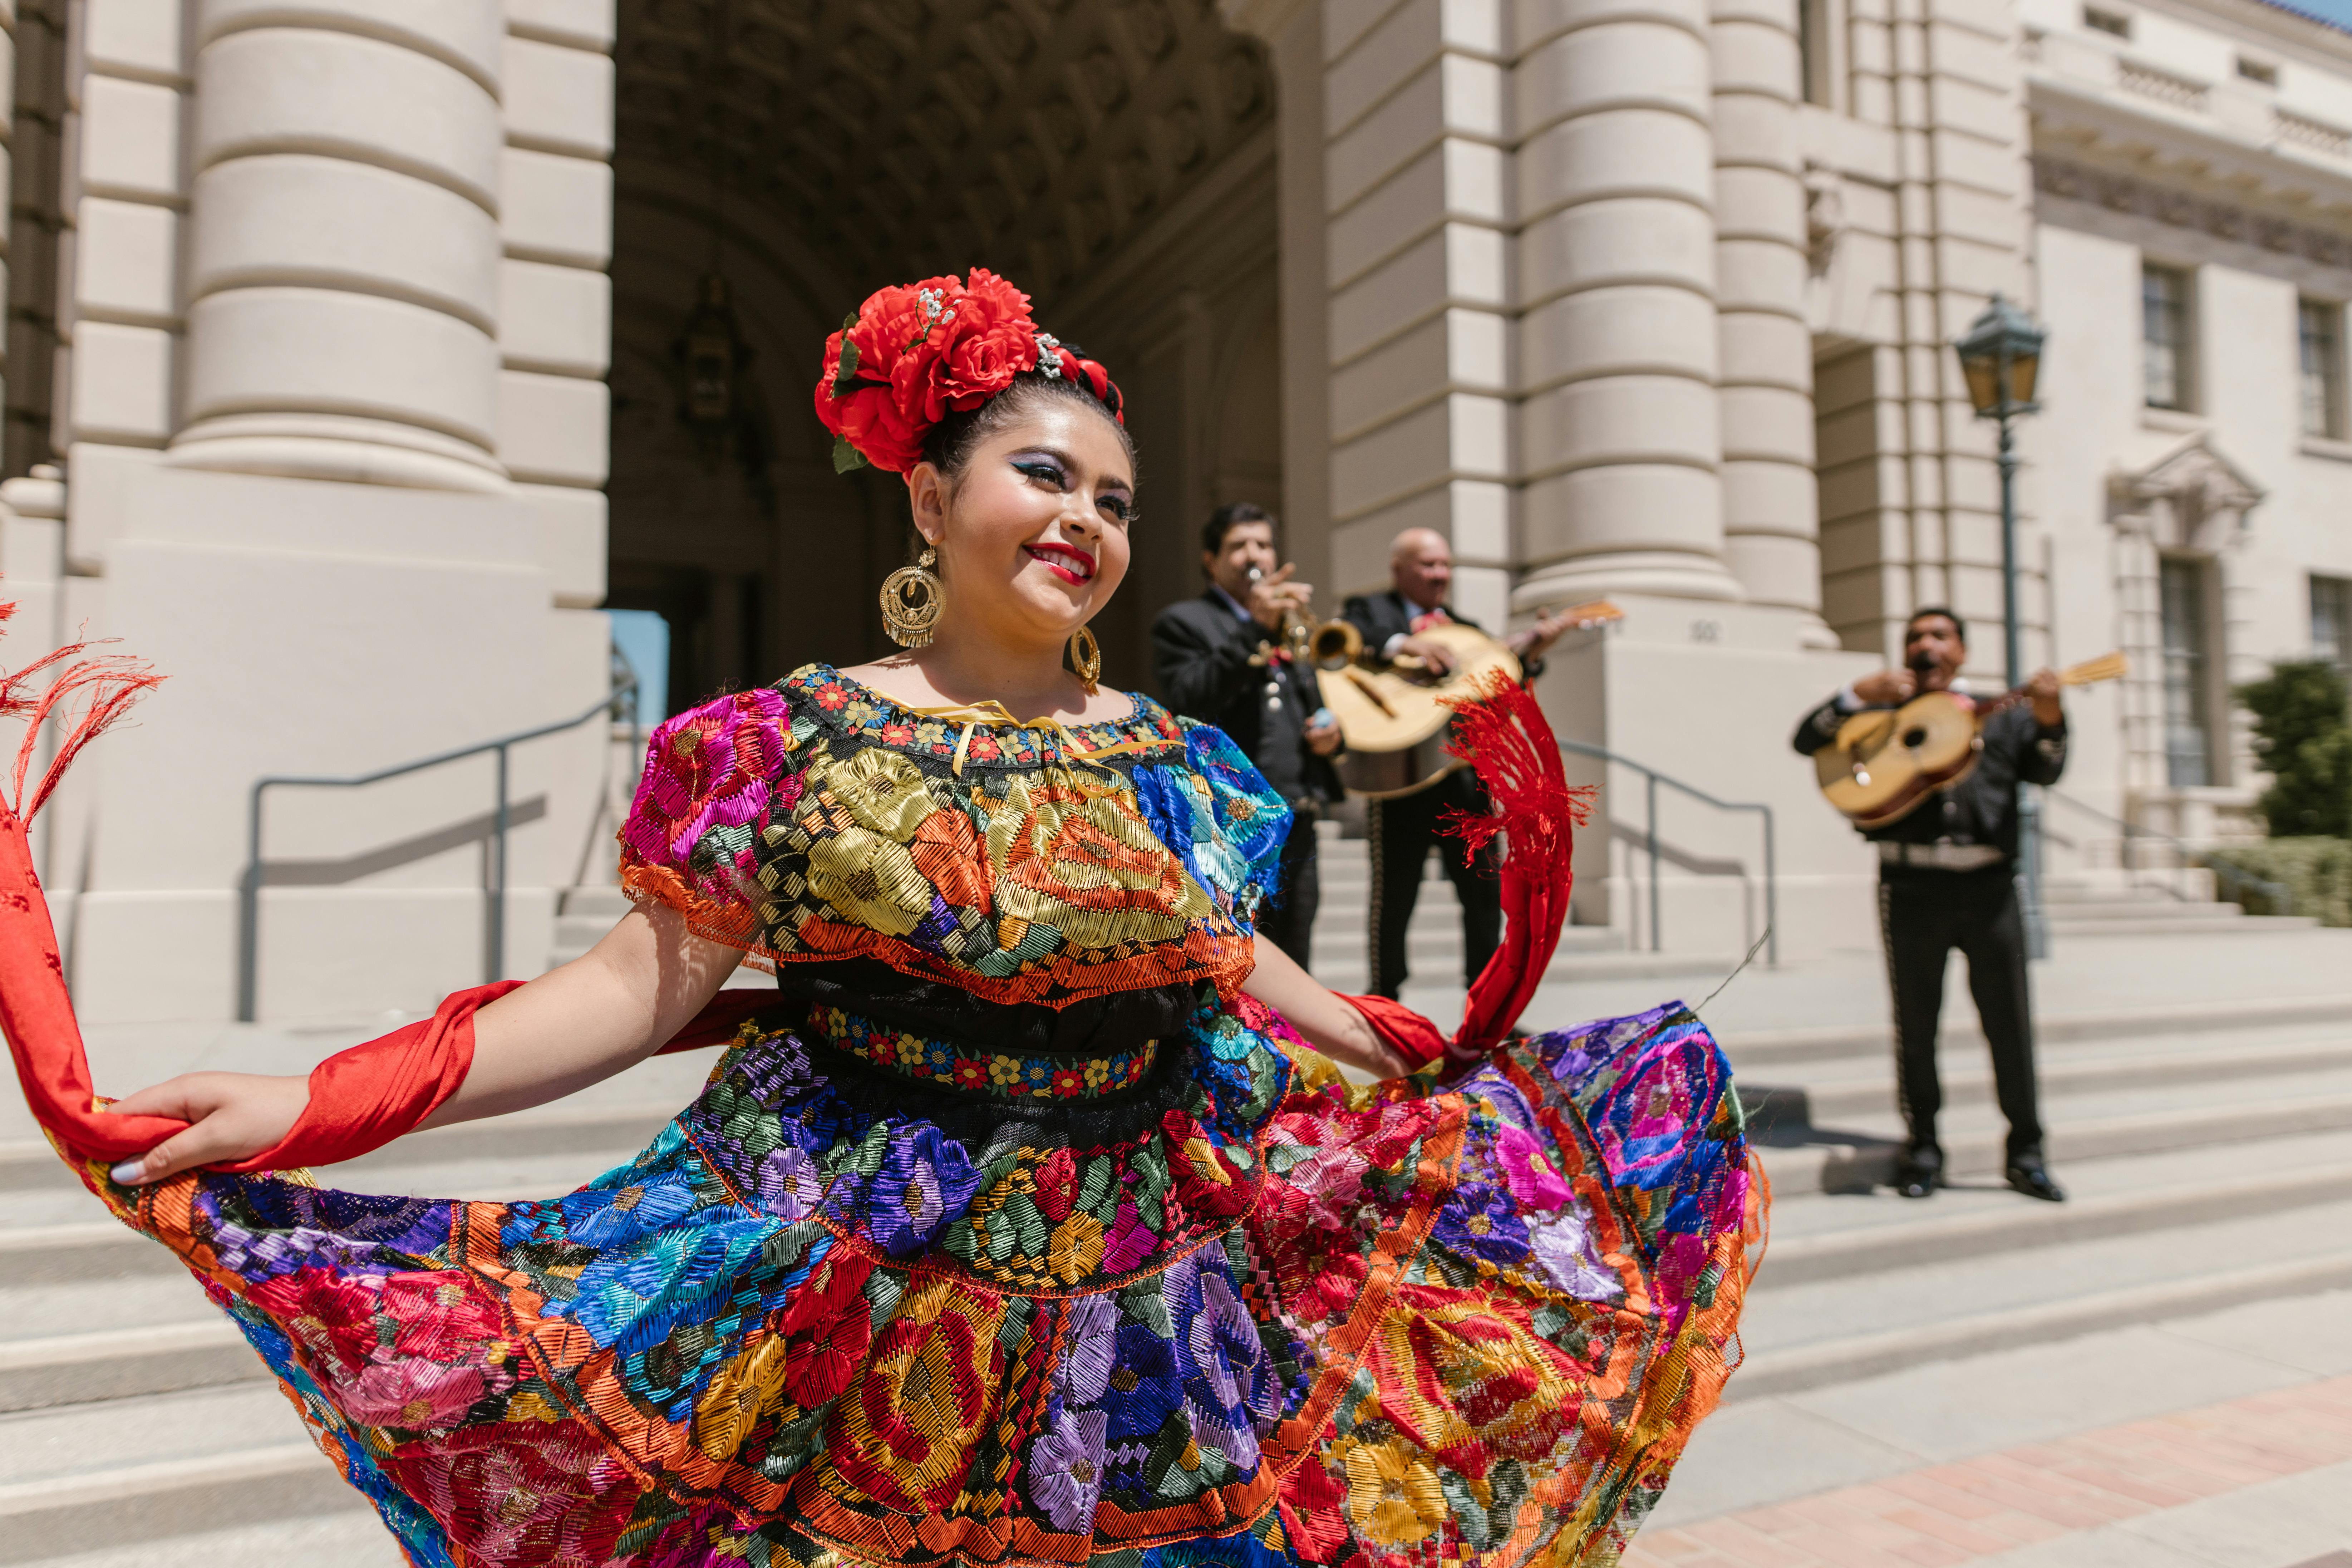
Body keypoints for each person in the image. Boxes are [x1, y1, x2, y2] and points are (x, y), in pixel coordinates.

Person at [0, 268, 1761, 1568]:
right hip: (849, 1265)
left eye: (1113, 499)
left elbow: (1234, 962)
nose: (1083, 519)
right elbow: (620, 994)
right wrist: (312, 1105)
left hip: (1162, 1259)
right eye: (1043, 477)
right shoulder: (773, 747)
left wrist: (1407, 1044)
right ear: (929, 496)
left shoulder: (1186, 766)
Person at [1792, 606, 2069, 1204]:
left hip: (1990, 888)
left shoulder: (2004, 715)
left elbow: (2046, 770)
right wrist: (1851, 693)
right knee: (1915, 1026)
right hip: (1909, 888)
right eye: (1916, 636)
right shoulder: (1880, 715)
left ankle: (2026, 1153)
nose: (1926, 646)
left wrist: (2050, 722)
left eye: (1940, 636)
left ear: (1961, 652)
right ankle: (1922, 1150)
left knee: (2009, 1024)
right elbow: (1806, 739)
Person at [1341, 528, 1583, 998]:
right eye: (1428, 565)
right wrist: (1402, 644)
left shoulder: (1467, 629)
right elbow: (1349, 639)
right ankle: (1384, 1001)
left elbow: (1498, 693)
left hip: (1463, 783)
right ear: (1399, 570)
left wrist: (1529, 655)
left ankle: (1485, 1003)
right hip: (1400, 781)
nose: (1440, 574)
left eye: (1445, 565)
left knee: (1482, 898)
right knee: (1394, 898)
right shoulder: (1369, 611)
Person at [1150, 502, 1343, 969]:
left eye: (1262, 544)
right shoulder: (1184, 621)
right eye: (1238, 546)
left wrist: (1333, 736)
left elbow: (1313, 703)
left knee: (1298, 952)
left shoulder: (1290, 623)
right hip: (1228, 820)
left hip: (1296, 814)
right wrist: (1252, 627)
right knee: (1237, 956)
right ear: (1210, 560)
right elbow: (1190, 697)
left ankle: (1291, 1042)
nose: (1253, 554)